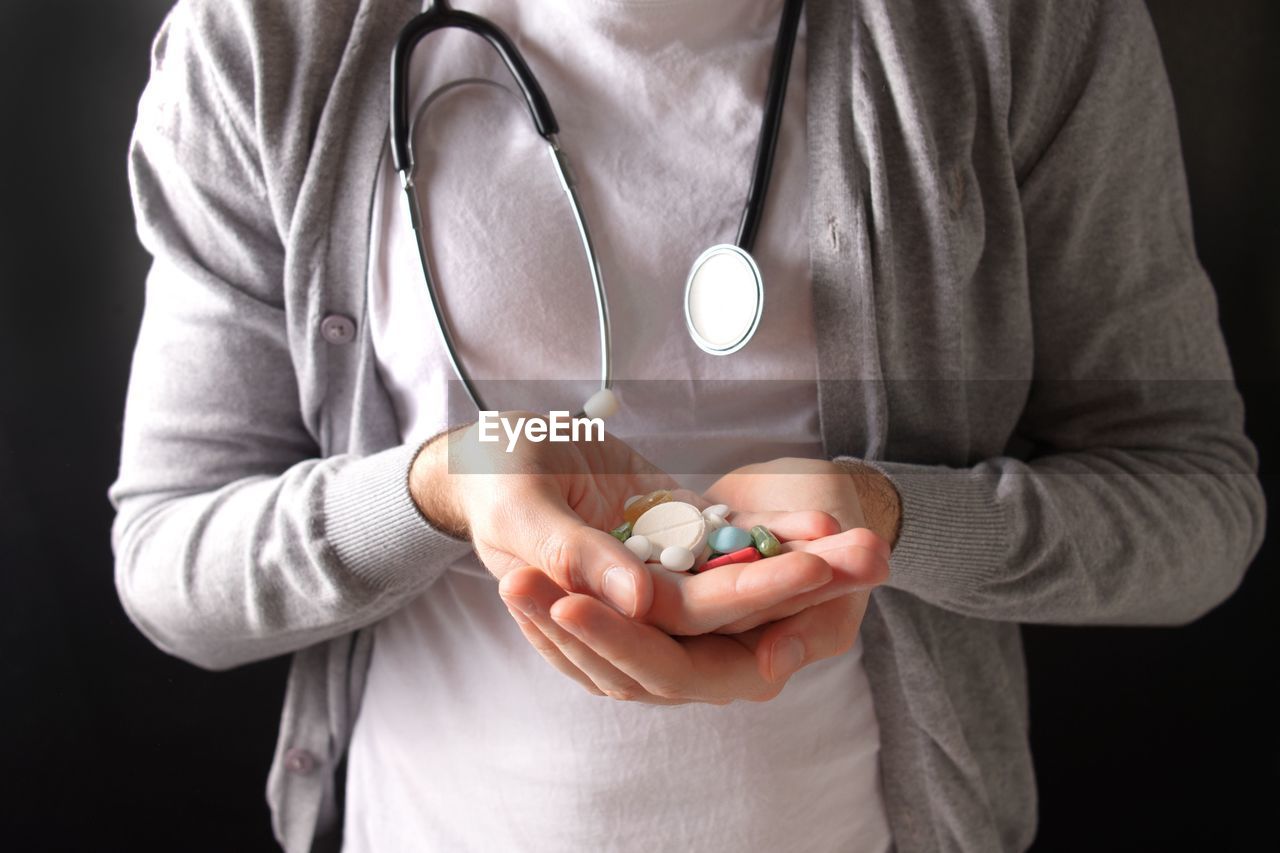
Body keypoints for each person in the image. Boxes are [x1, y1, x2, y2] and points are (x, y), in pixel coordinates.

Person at [110, 0, 1265, 850]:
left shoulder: (1024, 27)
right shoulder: (268, 42)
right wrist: (439, 488)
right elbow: (168, 562)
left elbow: (1193, 504)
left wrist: (894, 519)